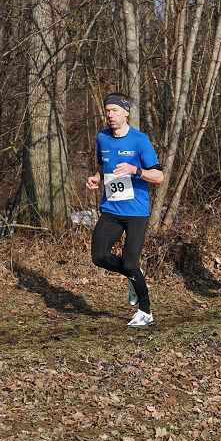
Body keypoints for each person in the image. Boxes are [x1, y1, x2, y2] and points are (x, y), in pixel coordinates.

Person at [86, 93, 165, 327]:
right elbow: (103, 165)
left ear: (126, 112)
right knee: (99, 257)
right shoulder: (102, 138)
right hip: (111, 209)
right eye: (107, 111)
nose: (110, 115)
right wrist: (96, 177)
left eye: (115, 110)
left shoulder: (140, 140)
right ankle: (134, 275)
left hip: (136, 212)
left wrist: (135, 170)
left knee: (130, 263)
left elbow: (159, 176)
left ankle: (146, 311)